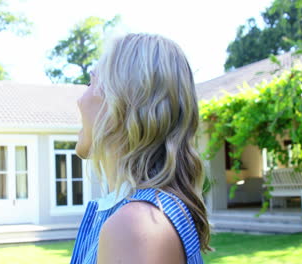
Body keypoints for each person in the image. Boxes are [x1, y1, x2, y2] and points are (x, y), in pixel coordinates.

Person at [71, 33, 211, 264]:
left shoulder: (135, 226)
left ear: (120, 105)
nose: (79, 100)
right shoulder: (149, 213)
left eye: (90, 83)